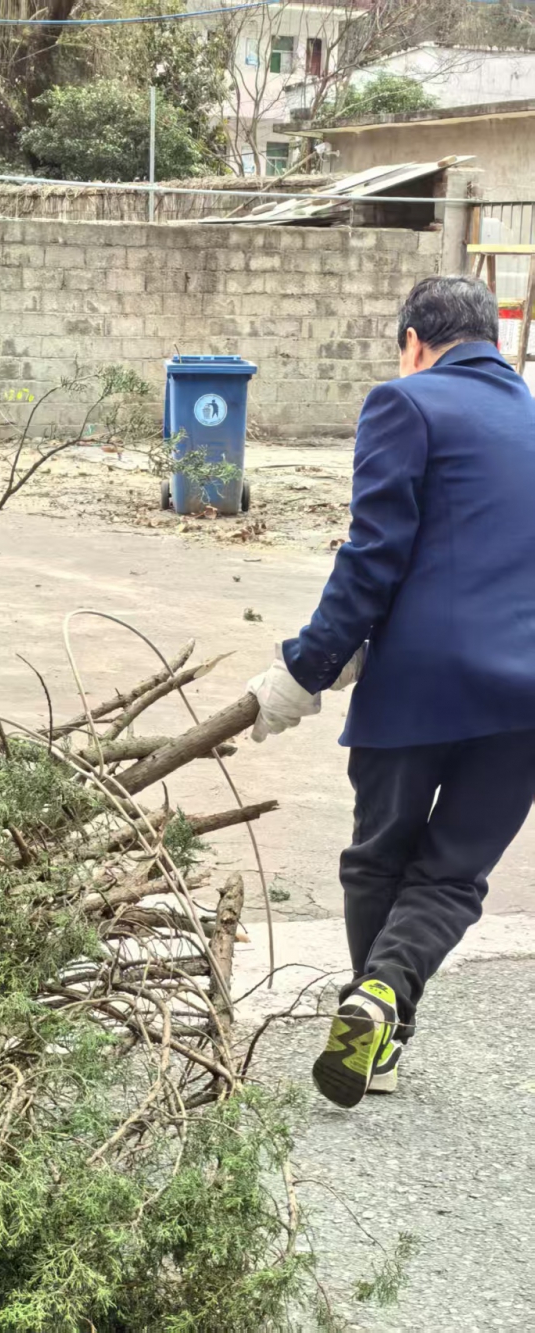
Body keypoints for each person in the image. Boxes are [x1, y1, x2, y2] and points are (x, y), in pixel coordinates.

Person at [248, 275, 535, 1109]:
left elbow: (373, 555)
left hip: (420, 681)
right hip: (525, 700)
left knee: (380, 854)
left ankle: (373, 1024)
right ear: (493, 340)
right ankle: (381, 1010)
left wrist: (307, 667)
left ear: (414, 340)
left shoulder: (405, 402)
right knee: (452, 874)